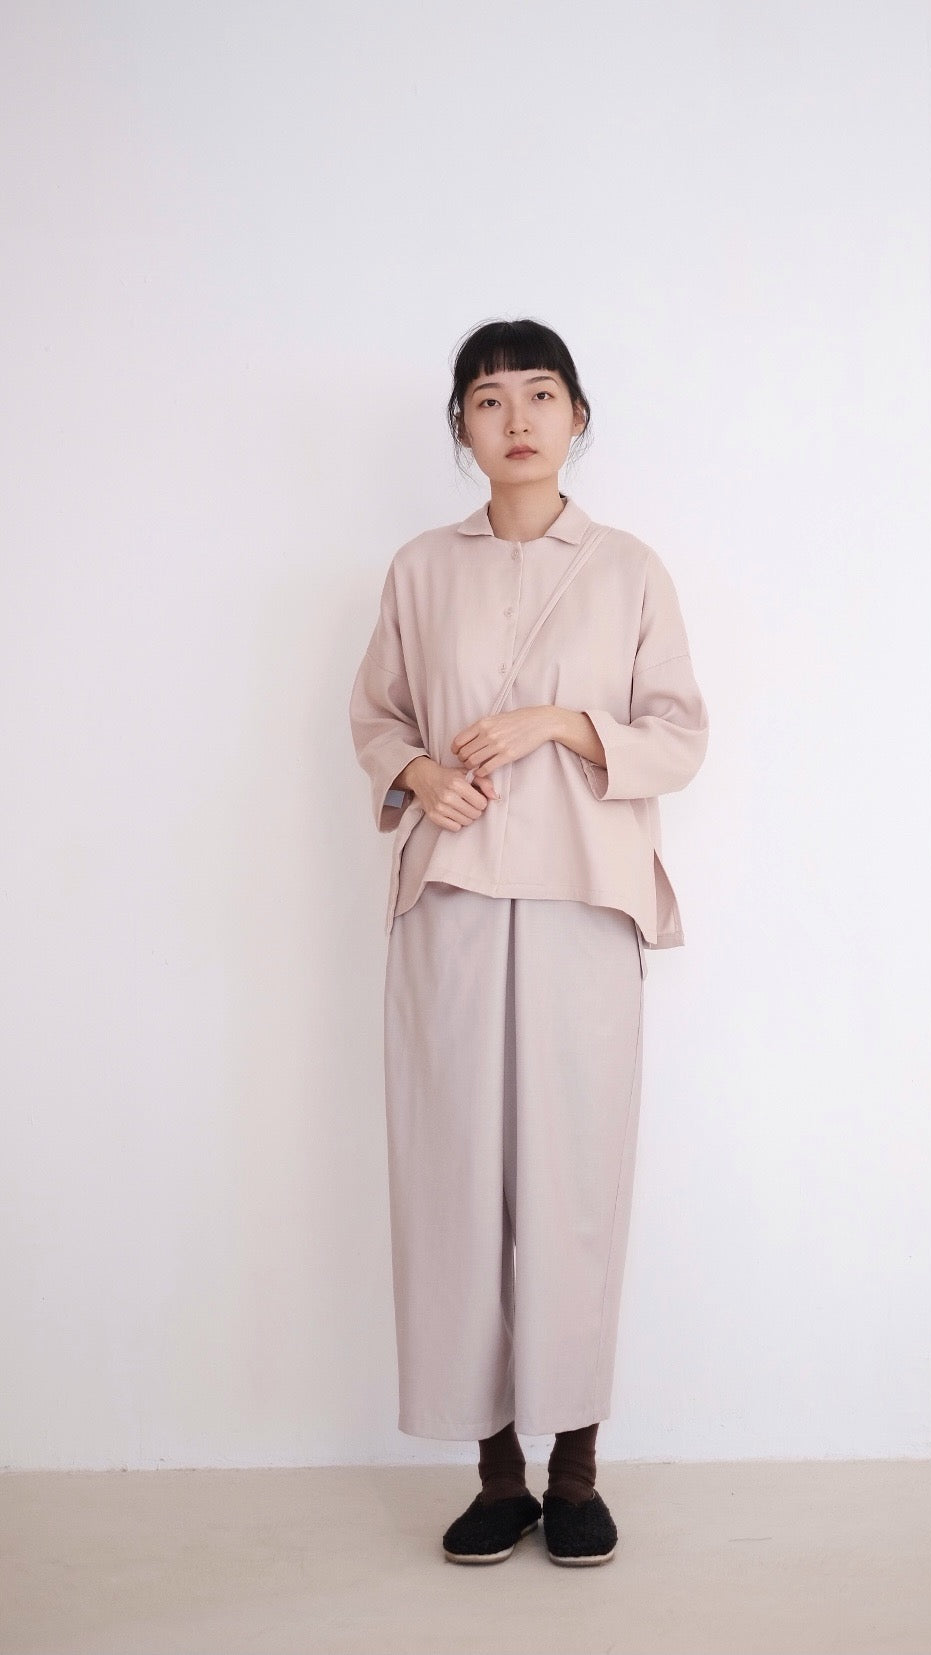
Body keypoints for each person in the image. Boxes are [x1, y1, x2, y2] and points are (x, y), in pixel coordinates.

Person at [348, 318, 708, 1566]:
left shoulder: (627, 569)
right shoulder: (418, 569)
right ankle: (495, 1474)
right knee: (454, 1179)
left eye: (539, 393)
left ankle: (576, 1468)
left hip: (582, 899)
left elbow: (679, 733)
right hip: (449, 899)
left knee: (573, 1184)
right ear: (460, 425)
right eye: (489, 398)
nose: (515, 418)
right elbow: (376, 715)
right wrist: (419, 773)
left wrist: (560, 720)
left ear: (576, 415)